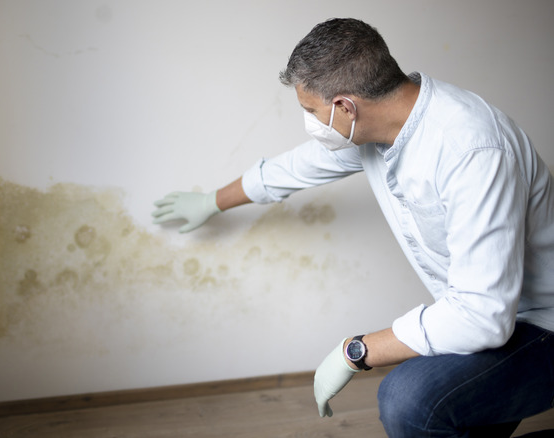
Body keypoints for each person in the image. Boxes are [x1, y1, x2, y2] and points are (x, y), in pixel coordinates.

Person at [151, 18, 554, 437]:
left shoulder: (470, 150)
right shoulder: (376, 131)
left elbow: (480, 317)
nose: (309, 122)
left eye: (310, 111)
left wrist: (355, 352)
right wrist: (210, 202)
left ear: (345, 106)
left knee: (409, 398)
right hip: (490, 320)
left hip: (541, 325)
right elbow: (295, 168)